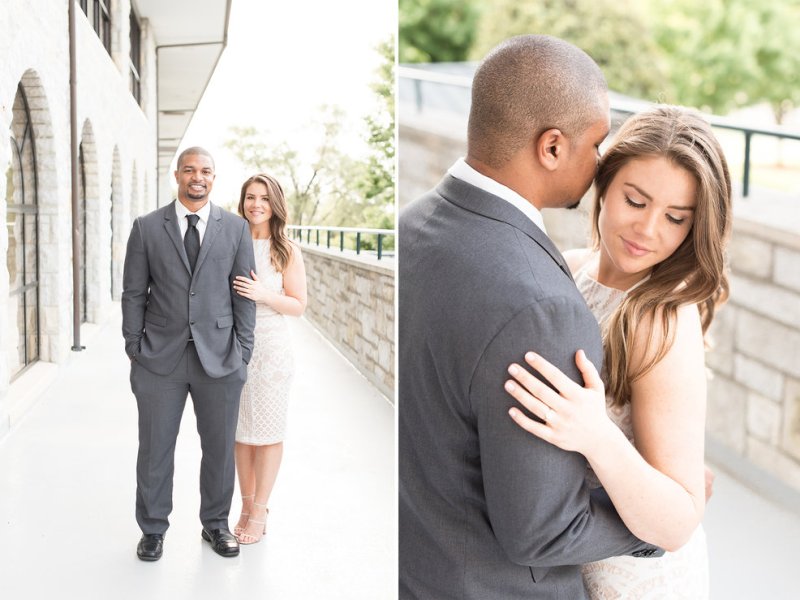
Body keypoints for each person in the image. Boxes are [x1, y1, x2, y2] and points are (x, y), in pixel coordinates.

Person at [399, 34, 661, 599]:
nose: (599, 163)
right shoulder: (540, 307)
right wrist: (655, 526)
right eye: (595, 143)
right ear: (551, 147)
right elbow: (542, 532)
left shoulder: (410, 227)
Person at [505, 105, 731, 598]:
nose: (648, 230)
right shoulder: (565, 268)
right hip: (569, 566)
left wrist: (596, 436)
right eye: (635, 200)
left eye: (675, 218)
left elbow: (676, 524)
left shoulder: (660, 317)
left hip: (641, 580)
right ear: (604, 185)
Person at [121, 146, 256, 561]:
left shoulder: (235, 229)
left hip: (220, 358)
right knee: (155, 448)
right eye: (190, 170)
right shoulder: (146, 227)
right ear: (176, 174)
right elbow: (133, 293)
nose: (198, 177)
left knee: (218, 449)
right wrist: (134, 347)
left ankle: (215, 525)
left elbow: (244, 295)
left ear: (214, 179)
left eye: (207, 171)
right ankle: (153, 529)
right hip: (160, 358)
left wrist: (243, 352)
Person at [231, 173, 307, 545]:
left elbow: (298, 305)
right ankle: (244, 507)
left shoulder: (286, 250)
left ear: (274, 204)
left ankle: (261, 510)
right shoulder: (232, 240)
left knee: (268, 434)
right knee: (241, 434)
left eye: (263, 198)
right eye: (250, 197)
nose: (256, 204)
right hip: (235, 350)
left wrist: (262, 293)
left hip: (273, 352)